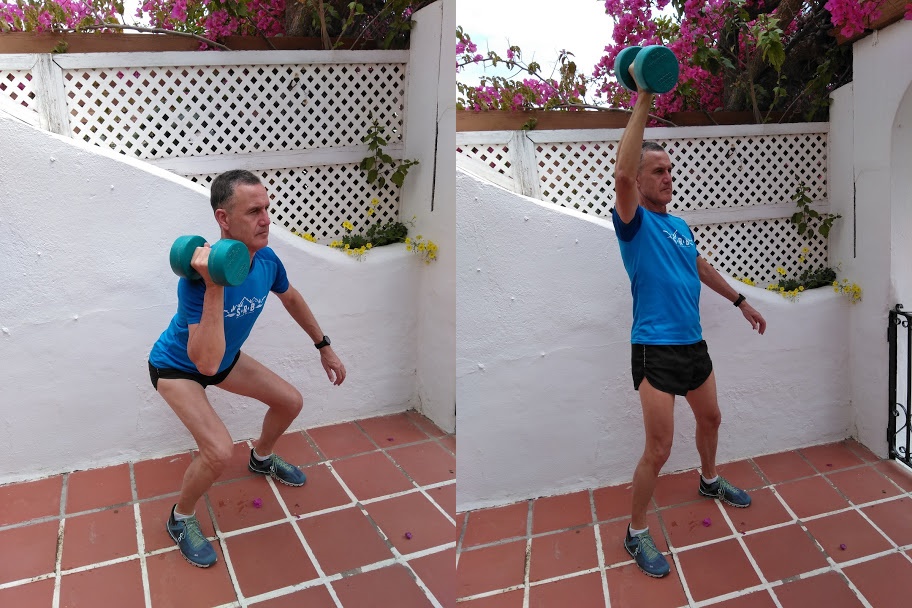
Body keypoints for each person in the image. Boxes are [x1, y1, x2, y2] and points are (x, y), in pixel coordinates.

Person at [148, 169, 346, 567]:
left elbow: (292, 299)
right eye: (254, 211)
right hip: (177, 367)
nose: (266, 219)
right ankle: (180, 518)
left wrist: (324, 346)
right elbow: (204, 362)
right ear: (223, 218)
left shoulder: (266, 261)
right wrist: (214, 285)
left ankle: (262, 456)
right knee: (218, 451)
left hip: (224, 358)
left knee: (290, 401)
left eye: (267, 209)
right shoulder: (197, 281)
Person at [611, 82, 766, 578]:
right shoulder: (633, 222)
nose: (668, 177)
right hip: (654, 348)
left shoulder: (678, 225)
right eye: (658, 170)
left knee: (712, 418)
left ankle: (709, 479)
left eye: (670, 170)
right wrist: (644, 98)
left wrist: (740, 301)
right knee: (658, 449)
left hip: (693, 344)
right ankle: (635, 532)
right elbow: (620, 173)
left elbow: (698, 266)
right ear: (640, 180)